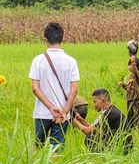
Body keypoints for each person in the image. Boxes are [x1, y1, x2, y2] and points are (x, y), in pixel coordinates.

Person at [28, 22, 80, 151]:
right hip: (63, 114)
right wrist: (64, 111)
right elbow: (74, 90)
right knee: (57, 149)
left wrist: (51, 107)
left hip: (42, 112)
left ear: (45, 40)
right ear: (62, 38)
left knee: (38, 147)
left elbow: (35, 87)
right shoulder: (71, 61)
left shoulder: (38, 60)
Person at [72, 88, 132, 153]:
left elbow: (87, 131)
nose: (93, 105)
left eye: (95, 102)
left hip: (121, 148)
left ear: (103, 101)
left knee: (89, 138)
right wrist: (81, 119)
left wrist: (72, 119)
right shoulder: (110, 111)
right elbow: (93, 128)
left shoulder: (110, 114)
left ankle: (104, 158)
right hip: (119, 145)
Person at [119, 39, 139, 131]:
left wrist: (133, 60)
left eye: (131, 65)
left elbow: (135, 71)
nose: (129, 67)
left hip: (136, 99)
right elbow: (128, 88)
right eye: (129, 65)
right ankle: (132, 130)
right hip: (129, 99)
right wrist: (122, 85)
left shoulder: (138, 74)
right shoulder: (130, 76)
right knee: (131, 117)